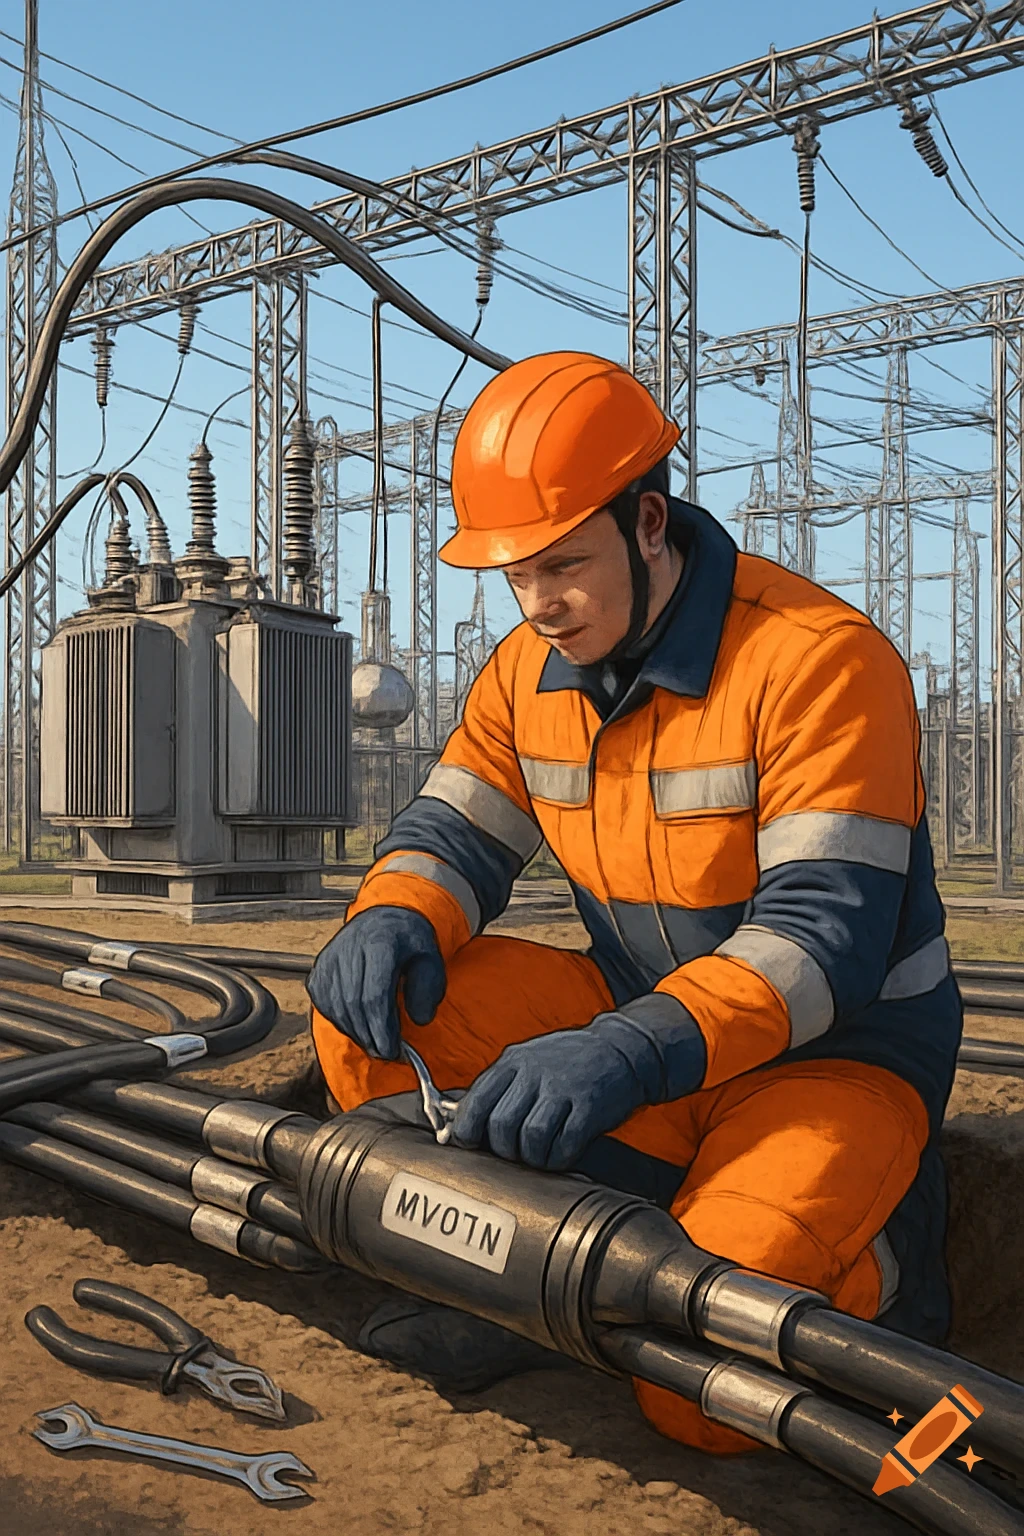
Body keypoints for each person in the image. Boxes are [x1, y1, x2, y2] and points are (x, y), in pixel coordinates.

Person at [307, 351, 963, 1453]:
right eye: (512, 576)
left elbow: (821, 948)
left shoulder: (819, 661)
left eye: (560, 564)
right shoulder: (525, 671)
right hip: (642, 1029)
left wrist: (623, 1051)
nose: (536, 604)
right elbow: (455, 830)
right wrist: (393, 914)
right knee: (378, 1008)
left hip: (826, 1063)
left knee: (699, 1393)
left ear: (648, 521)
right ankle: (512, 1283)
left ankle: (888, 1255)